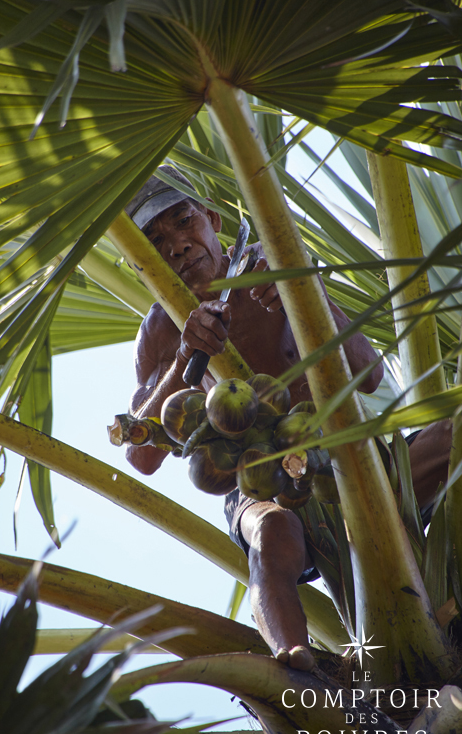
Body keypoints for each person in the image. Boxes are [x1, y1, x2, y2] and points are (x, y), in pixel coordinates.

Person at [124, 165, 451, 672]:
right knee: (272, 535)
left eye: (183, 221)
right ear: (145, 263)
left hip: (353, 461)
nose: (178, 245)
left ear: (211, 218)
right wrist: (182, 360)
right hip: (260, 483)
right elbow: (141, 454)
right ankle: (297, 666)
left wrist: (309, 301)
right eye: (156, 240)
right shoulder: (161, 331)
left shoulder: (274, 267)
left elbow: (365, 374)